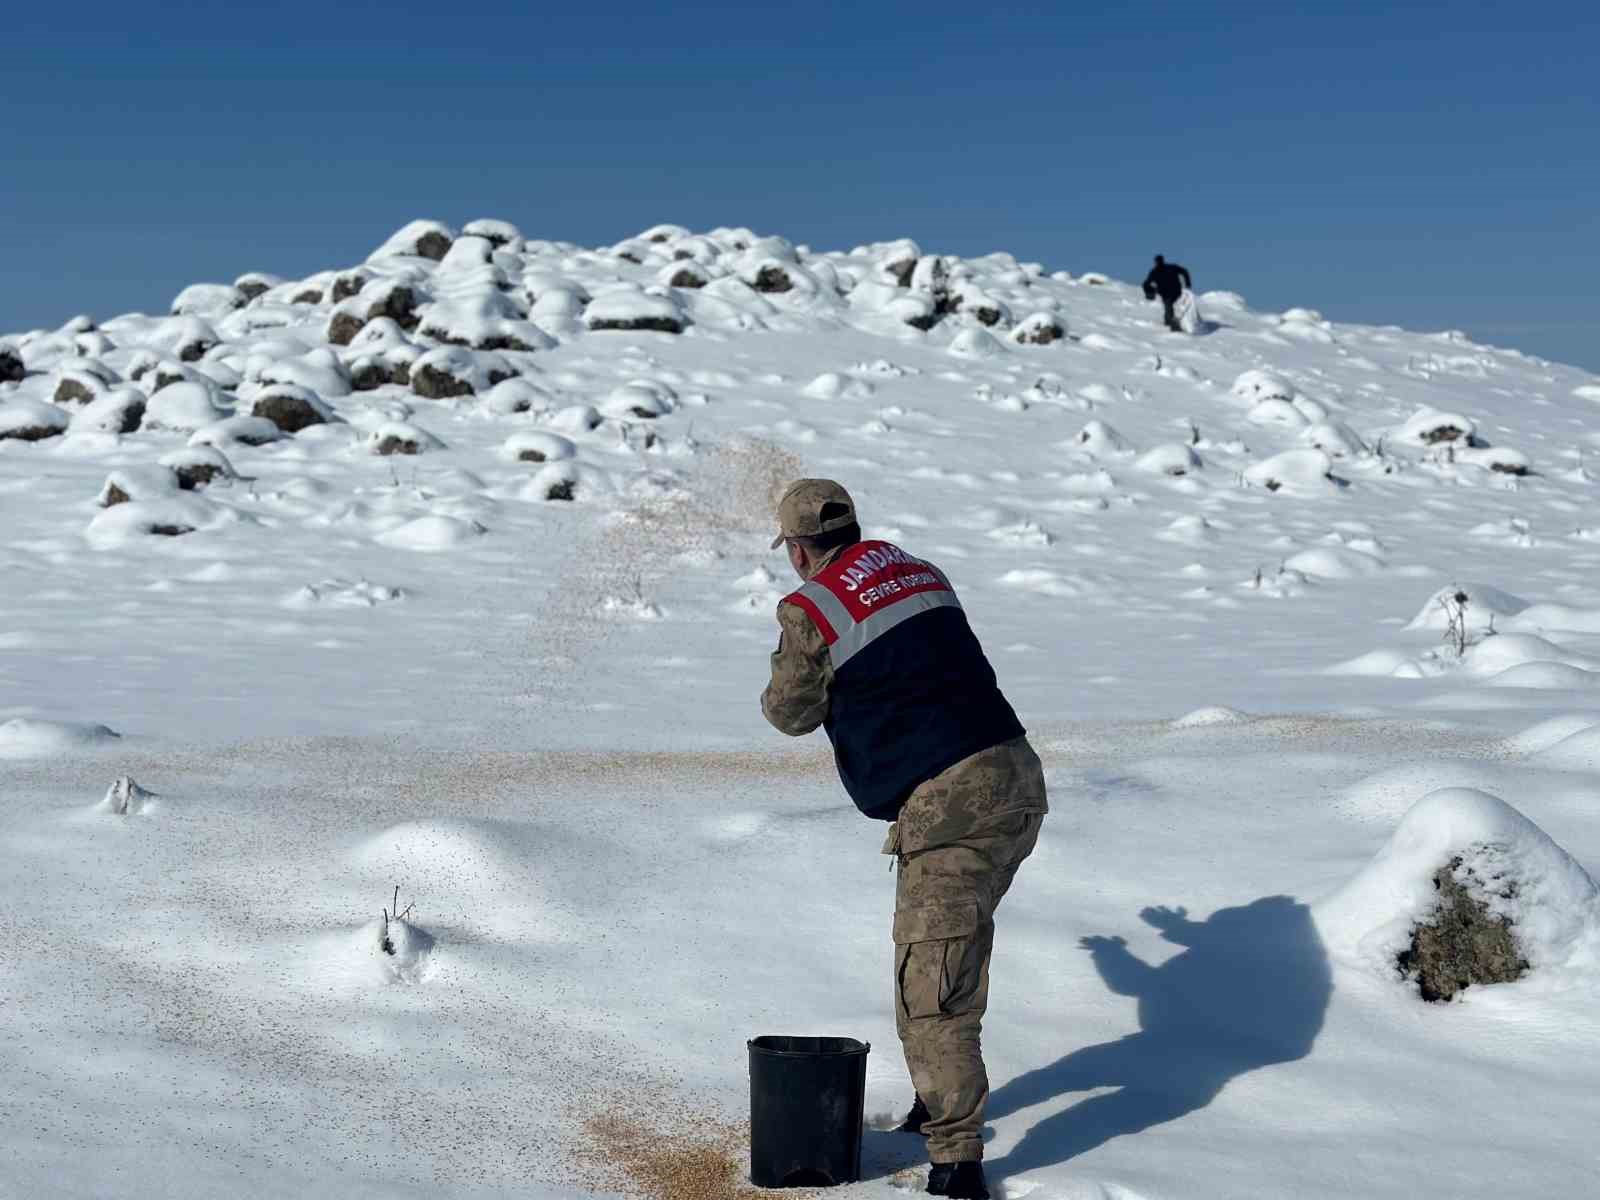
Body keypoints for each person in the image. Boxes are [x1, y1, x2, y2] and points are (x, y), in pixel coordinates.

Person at [760, 479, 1048, 1200]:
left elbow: (789, 713)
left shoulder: (809, 607)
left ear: (797, 552)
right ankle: (933, 1099)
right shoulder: (918, 568)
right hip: (1013, 779)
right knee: (949, 955)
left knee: (932, 991)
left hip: (950, 802)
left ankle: (957, 1161)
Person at [1142, 254, 1193, 332]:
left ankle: (1173, 323)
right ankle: (1169, 322)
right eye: (1157, 262)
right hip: (1168, 293)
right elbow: (1146, 283)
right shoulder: (1155, 272)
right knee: (1168, 307)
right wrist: (1149, 292)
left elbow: (1184, 271)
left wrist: (1188, 283)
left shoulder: (1166, 268)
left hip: (1174, 292)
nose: (1157, 263)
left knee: (1169, 306)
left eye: (1158, 262)